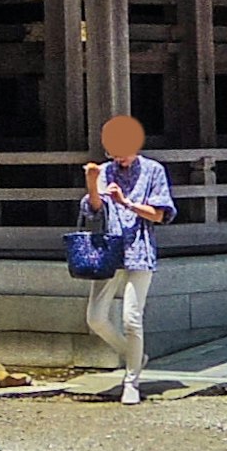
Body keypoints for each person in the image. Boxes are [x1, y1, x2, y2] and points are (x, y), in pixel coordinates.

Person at [79, 113, 177, 404]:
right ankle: (134, 354)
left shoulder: (153, 171)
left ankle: (131, 380)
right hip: (108, 251)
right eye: (113, 152)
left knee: (132, 319)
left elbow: (159, 214)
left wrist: (127, 202)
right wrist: (92, 182)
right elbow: (94, 211)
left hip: (139, 249)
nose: (117, 158)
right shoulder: (106, 171)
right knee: (95, 318)